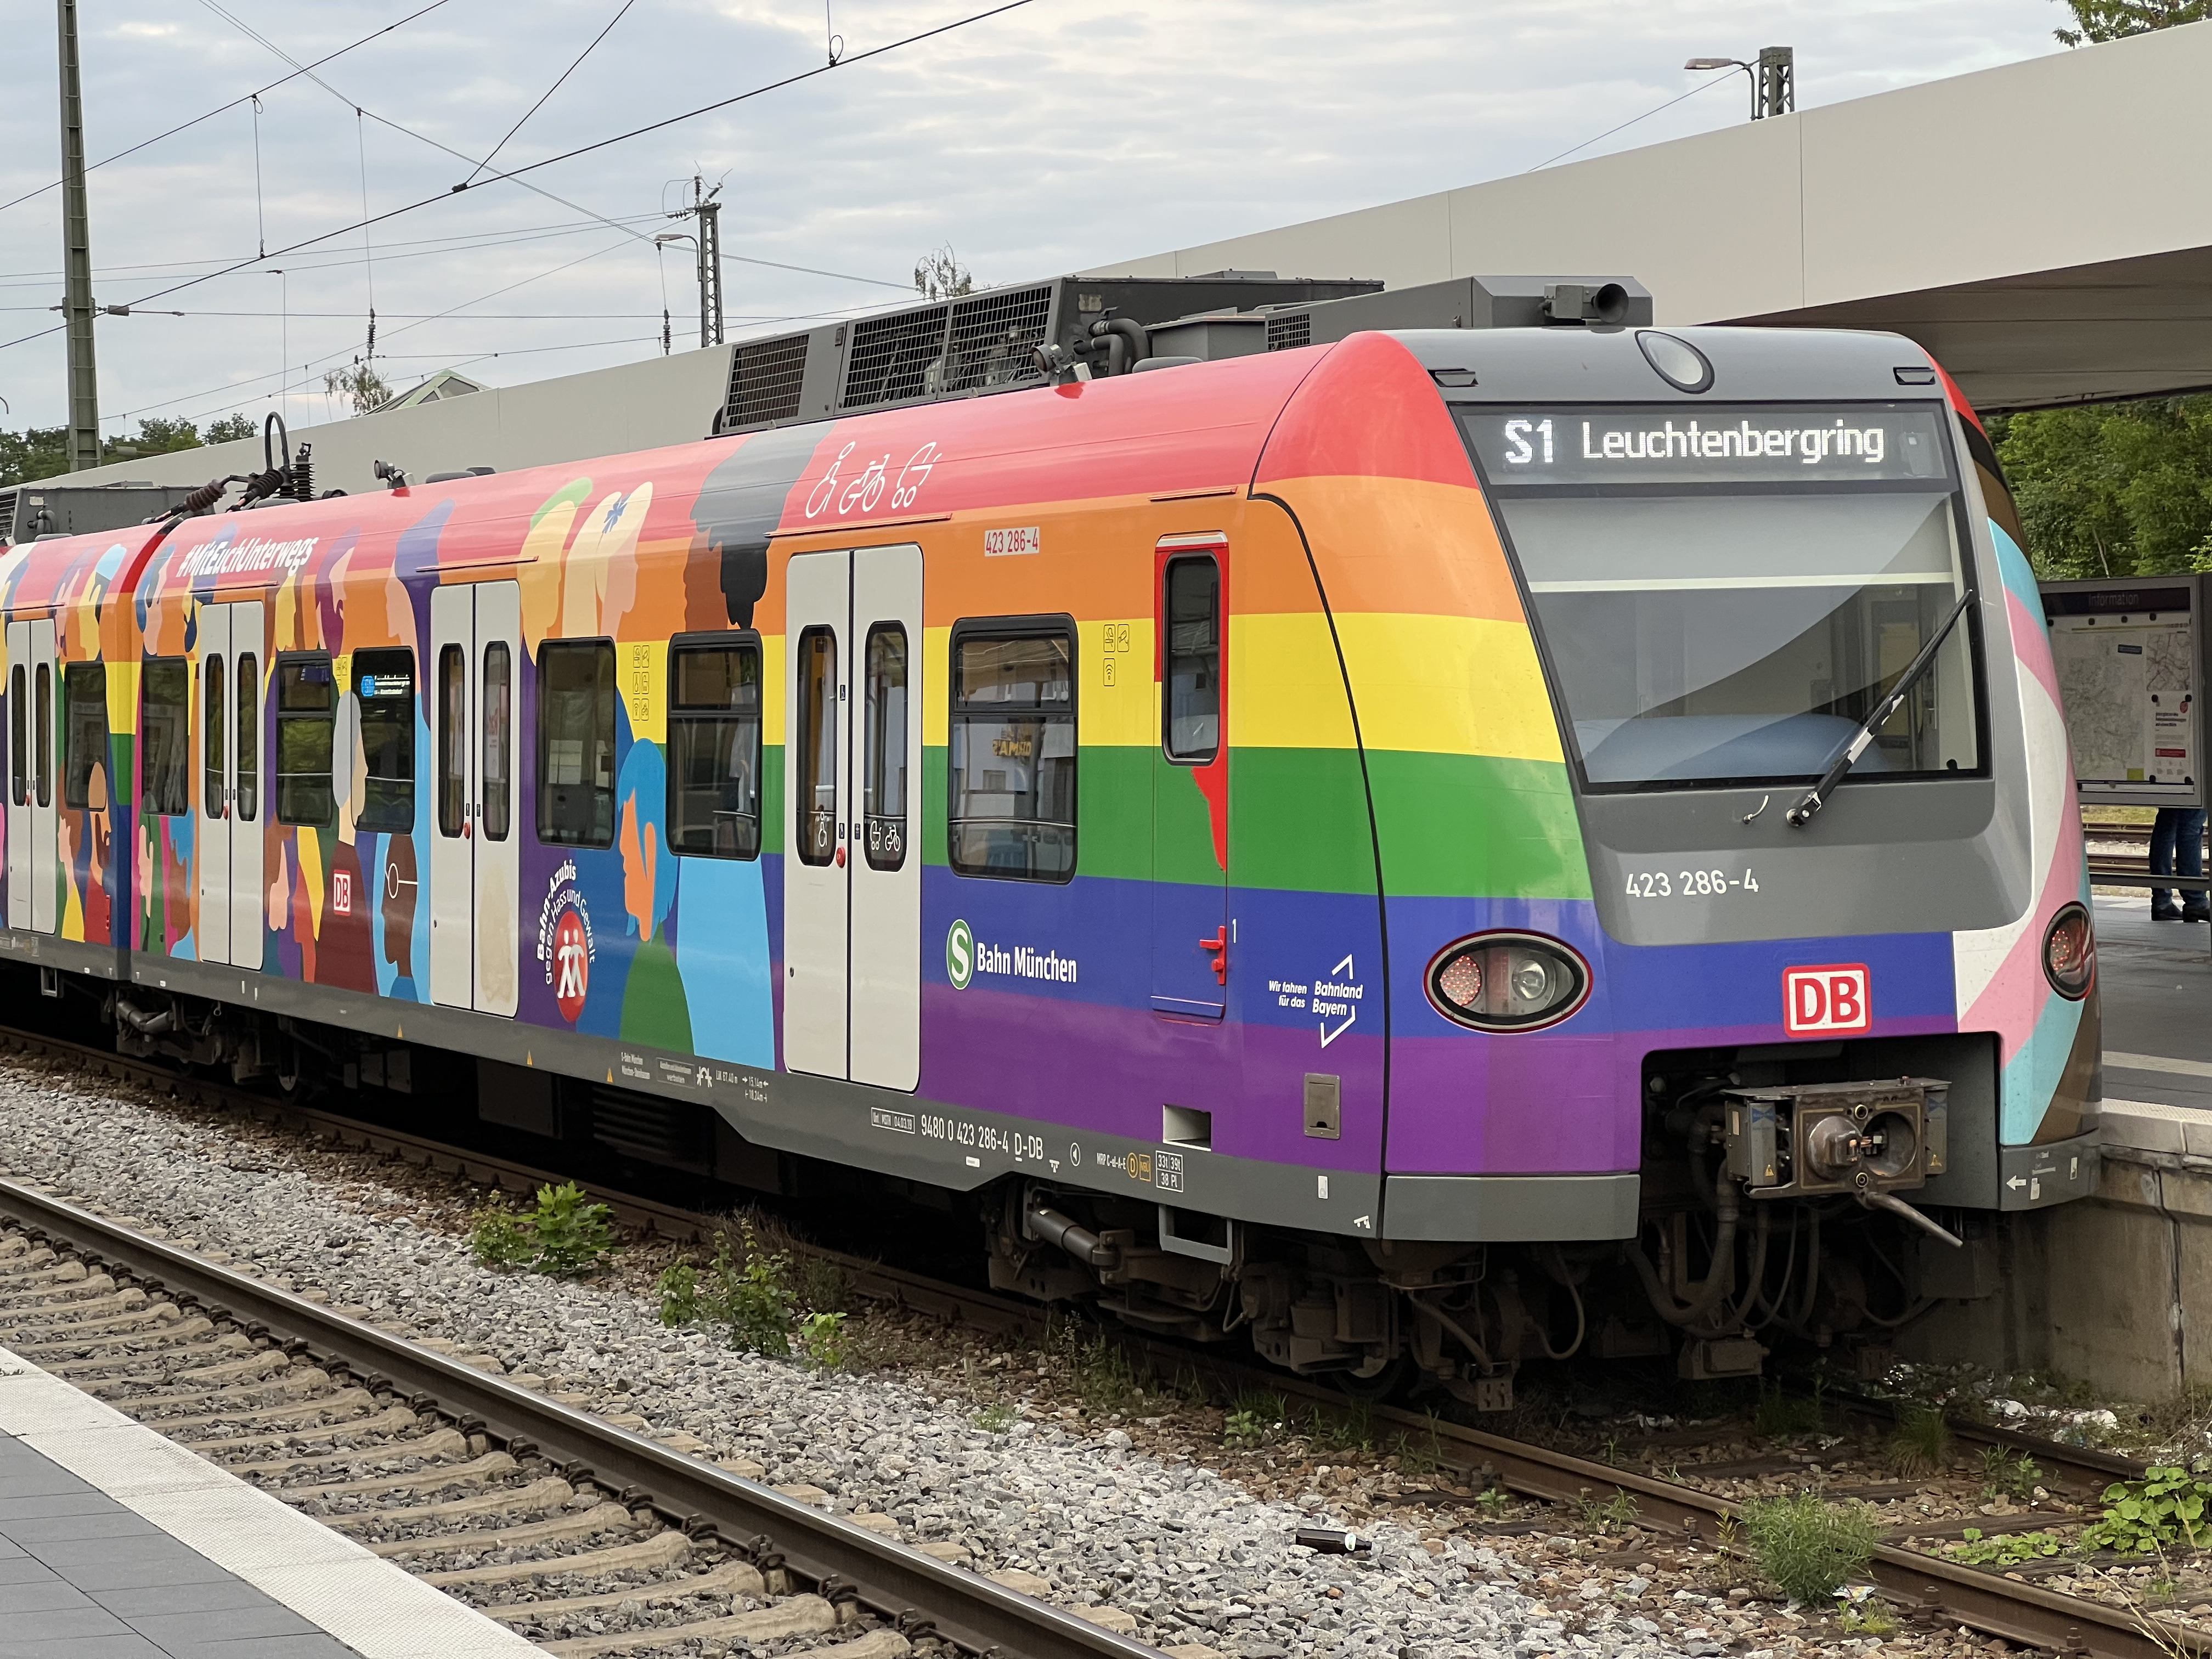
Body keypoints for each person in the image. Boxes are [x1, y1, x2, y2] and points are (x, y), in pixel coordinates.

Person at [2149, 805, 2209, 921]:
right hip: (2190, 792)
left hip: (2168, 792)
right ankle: (2195, 901)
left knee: (2167, 824)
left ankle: (2162, 902)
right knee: (2192, 824)